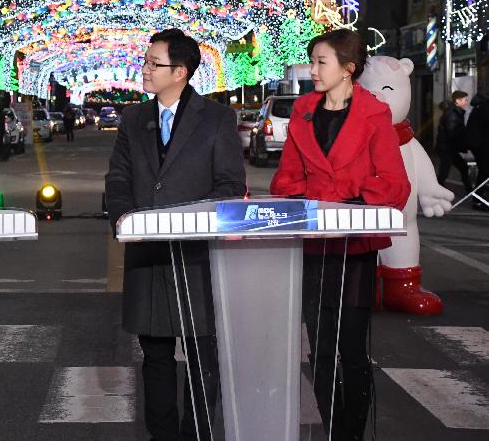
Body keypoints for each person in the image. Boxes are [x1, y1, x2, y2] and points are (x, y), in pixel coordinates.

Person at [105, 28, 246, 441]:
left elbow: (229, 185)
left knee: (202, 353)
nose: (145, 70)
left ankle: (198, 433)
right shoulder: (134, 119)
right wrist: (123, 218)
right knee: (155, 355)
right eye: (146, 61)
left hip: (197, 256)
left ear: (181, 72)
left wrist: (191, 219)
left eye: (154, 64)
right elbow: (119, 177)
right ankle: (161, 435)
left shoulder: (217, 119)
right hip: (147, 254)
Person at [271, 29, 411, 440]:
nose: (312, 70)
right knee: (320, 348)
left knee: (351, 348)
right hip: (315, 243)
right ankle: (333, 429)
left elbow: (395, 184)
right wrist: (324, 198)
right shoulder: (303, 110)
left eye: (321, 62)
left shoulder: (374, 114)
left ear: (349, 69)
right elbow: (285, 181)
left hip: (355, 245)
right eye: (312, 61)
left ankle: (351, 432)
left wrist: (341, 200)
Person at [436, 91, 472, 192]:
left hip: (449, 148)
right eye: (465, 100)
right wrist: (465, 144)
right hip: (448, 149)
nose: (466, 102)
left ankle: (470, 191)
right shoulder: (452, 114)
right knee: (445, 172)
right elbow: (453, 134)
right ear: (457, 101)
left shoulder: (455, 112)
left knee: (460, 168)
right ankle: (438, 193)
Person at [466, 93, 489, 210]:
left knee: (484, 171)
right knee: (485, 171)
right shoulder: (484, 107)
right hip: (481, 145)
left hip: (478, 145)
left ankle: (479, 198)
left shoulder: (479, 107)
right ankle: (478, 200)